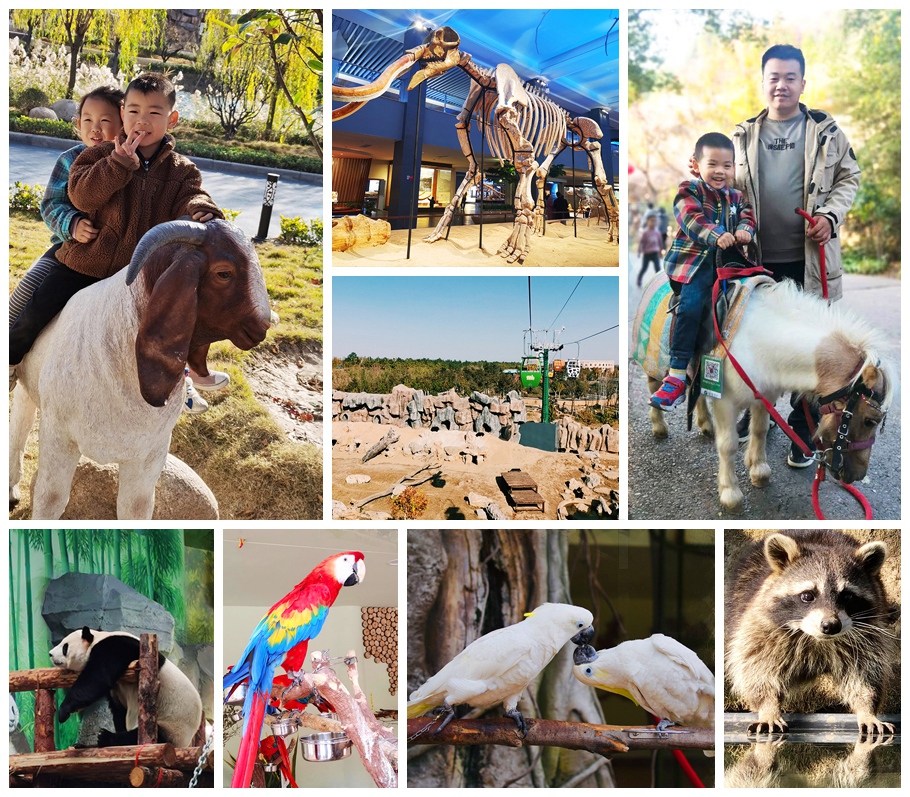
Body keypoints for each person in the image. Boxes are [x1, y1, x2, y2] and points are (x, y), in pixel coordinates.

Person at [9, 72, 226, 412]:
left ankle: (183, 379)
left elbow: (192, 196)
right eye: (134, 111)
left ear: (171, 120)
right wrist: (117, 165)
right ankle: (10, 359)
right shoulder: (96, 156)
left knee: (177, 318)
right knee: (38, 307)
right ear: (124, 113)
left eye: (154, 113)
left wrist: (202, 208)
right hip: (85, 262)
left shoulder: (181, 170)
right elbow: (81, 197)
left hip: (137, 273)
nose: (142, 121)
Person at [732, 44, 861, 465]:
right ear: (763, 82)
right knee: (761, 341)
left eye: (790, 77)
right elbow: (725, 186)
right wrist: (704, 172)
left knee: (811, 345)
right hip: (756, 262)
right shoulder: (741, 136)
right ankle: (761, 411)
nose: (782, 85)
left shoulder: (826, 132)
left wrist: (830, 216)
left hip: (809, 263)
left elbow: (849, 177)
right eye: (774, 77)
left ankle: (802, 427)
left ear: (803, 83)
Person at [650, 132, 756, 411]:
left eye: (727, 165)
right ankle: (676, 375)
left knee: (758, 296)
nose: (720, 171)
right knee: (692, 306)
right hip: (695, 265)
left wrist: (745, 229)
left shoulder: (737, 196)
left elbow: (748, 215)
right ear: (696, 165)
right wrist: (717, 234)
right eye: (713, 164)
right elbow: (690, 218)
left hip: (730, 265)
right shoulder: (690, 189)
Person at [636, 213, 664, 288]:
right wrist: (639, 251)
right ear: (647, 221)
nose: (653, 222)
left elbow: (660, 243)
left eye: (654, 221)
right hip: (647, 254)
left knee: (658, 269)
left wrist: (660, 252)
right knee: (644, 268)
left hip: (655, 253)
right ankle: (639, 279)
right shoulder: (645, 232)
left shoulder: (657, 232)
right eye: (651, 221)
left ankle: (659, 283)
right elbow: (641, 242)